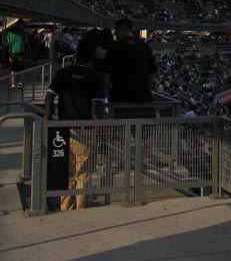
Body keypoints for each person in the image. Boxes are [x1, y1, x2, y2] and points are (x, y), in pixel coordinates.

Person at [44, 36, 105, 210]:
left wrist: (48, 124)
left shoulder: (63, 73)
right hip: (85, 130)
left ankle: (66, 209)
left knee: (68, 173)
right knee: (83, 175)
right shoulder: (94, 76)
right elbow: (95, 108)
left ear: (76, 56)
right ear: (91, 58)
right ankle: (81, 211)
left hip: (62, 131)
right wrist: (99, 131)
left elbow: (49, 97)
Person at [102, 17, 157, 112]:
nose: (114, 33)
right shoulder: (145, 47)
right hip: (143, 99)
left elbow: (106, 74)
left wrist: (106, 95)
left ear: (124, 29)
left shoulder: (114, 47)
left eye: (116, 30)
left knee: (121, 126)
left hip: (120, 98)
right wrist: (147, 90)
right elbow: (152, 73)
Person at [6, 19, 26, 89]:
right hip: (20, 51)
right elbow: (25, 40)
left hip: (12, 52)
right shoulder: (23, 31)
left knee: (12, 69)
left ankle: (13, 84)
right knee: (21, 68)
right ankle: (20, 83)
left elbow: (8, 41)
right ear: (22, 24)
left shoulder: (10, 31)